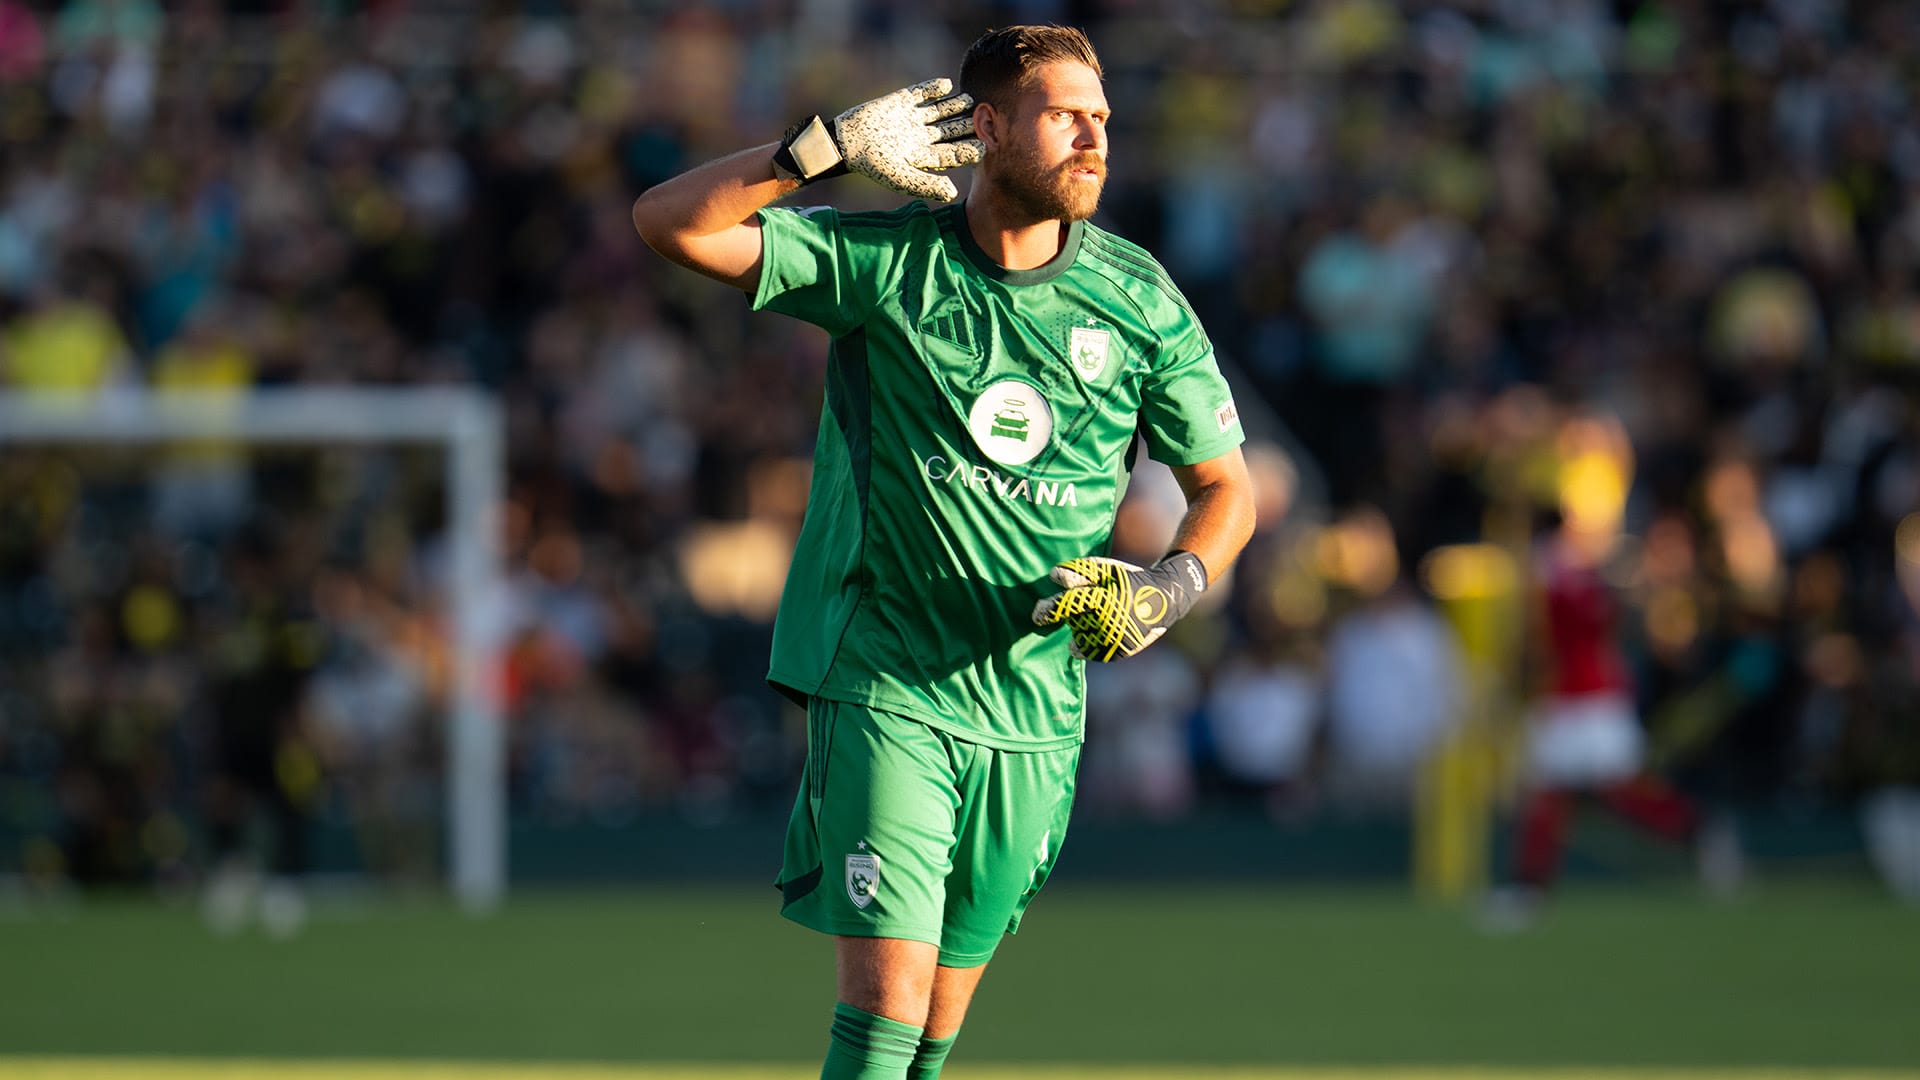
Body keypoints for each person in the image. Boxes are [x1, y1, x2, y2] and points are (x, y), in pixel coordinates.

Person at [631, 24, 1255, 1079]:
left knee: (931, 1033)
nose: (1096, 138)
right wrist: (818, 151)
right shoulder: (886, 265)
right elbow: (668, 224)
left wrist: (1168, 589)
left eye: (1103, 117)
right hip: (888, 683)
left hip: (1034, 708)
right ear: (990, 126)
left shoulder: (1139, 297)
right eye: (1067, 116)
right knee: (886, 1006)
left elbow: (1225, 489)